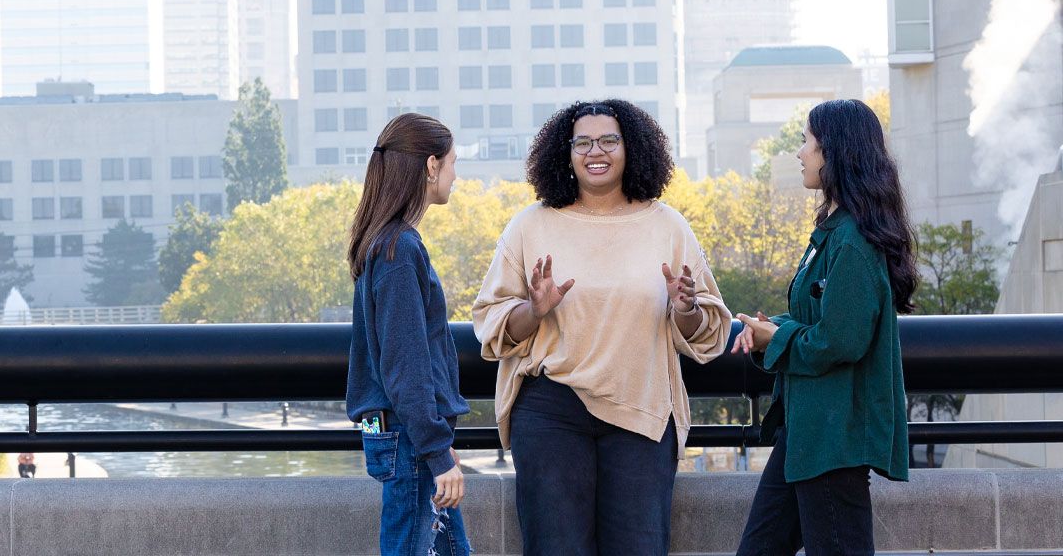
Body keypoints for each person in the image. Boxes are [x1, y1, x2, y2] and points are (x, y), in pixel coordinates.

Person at [472, 100, 731, 554]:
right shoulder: (529, 226)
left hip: (641, 409)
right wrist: (535, 309)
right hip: (551, 409)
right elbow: (491, 324)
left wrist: (686, 307)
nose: (597, 151)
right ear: (566, 152)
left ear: (631, 148)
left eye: (609, 140)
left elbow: (707, 332)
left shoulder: (669, 227)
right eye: (584, 143)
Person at [731, 99, 914, 555]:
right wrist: (772, 327)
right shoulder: (836, 232)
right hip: (808, 431)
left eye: (806, 141)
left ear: (835, 151)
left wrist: (778, 337)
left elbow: (841, 340)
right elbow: (822, 318)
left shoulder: (852, 241)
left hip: (834, 438)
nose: (799, 152)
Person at [345, 112, 471, 556]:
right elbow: (405, 365)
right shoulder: (399, 250)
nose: (455, 175)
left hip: (408, 435)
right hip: (410, 440)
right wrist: (436, 450)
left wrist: (440, 446)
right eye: (453, 163)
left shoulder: (386, 243)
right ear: (431, 165)